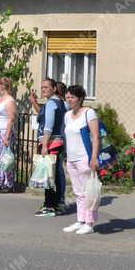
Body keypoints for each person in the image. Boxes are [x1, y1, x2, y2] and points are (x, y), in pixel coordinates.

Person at [62, 84, 100, 235]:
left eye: (72, 97)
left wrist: (94, 157)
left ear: (80, 98)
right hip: (71, 158)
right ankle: (80, 220)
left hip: (84, 157)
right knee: (78, 192)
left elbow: (96, 137)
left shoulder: (89, 113)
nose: (69, 99)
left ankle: (89, 223)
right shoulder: (67, 115)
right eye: (67, 97)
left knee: (88, 192)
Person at [30, 78, 66, 217]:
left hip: (51, 142)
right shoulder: (60, 103)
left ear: (54, 88)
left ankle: (49, 205)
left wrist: (44, 145)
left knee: (48, 174)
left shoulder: (51, 103)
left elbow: (48, 127)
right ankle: (56, 204)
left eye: (46, 87)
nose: (43, 90)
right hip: (58, 142)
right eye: (42, 87)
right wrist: (34, 102)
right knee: (54, 175)